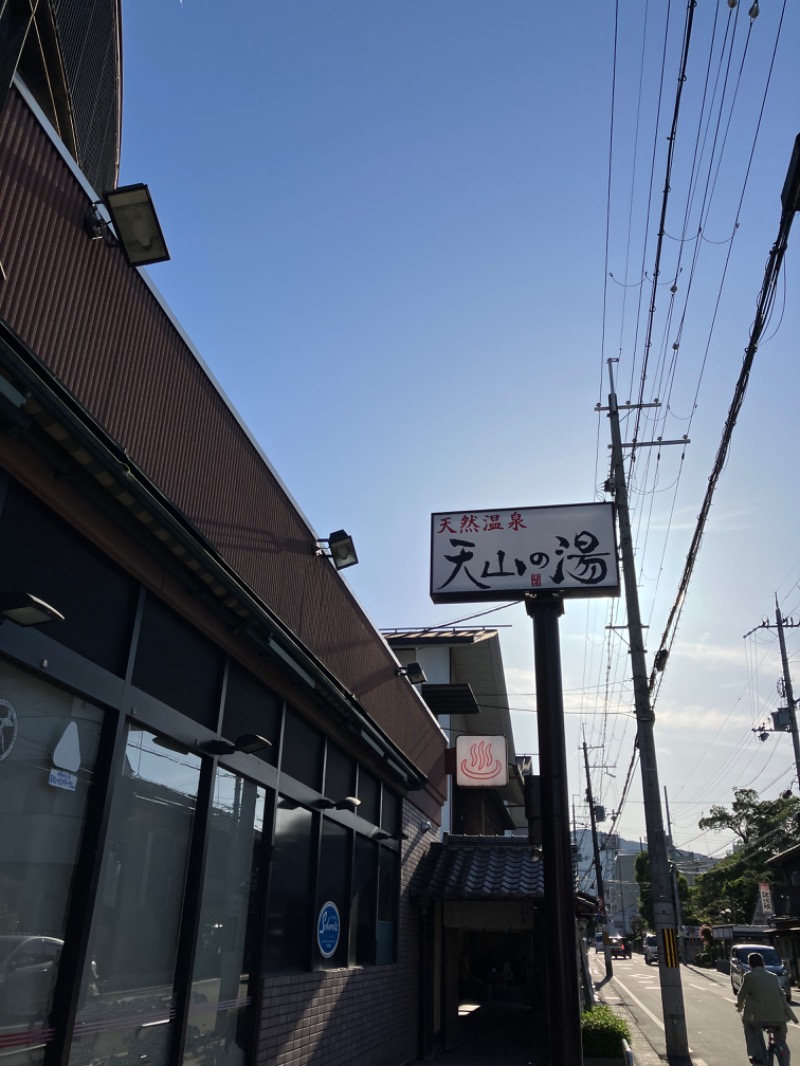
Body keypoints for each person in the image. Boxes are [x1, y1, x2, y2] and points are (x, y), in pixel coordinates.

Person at [736, 951, 798, 1064]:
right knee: (781, 1042)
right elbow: (782, 994)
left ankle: (756, 1055)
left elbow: (742, 995)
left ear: (750, 964)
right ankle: (784, 1060)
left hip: (758, 1018)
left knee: (751, 1029)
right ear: (763, 963)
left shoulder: (749, 976)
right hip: (779, 1017)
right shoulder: (773, 977)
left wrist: (739, 1007)